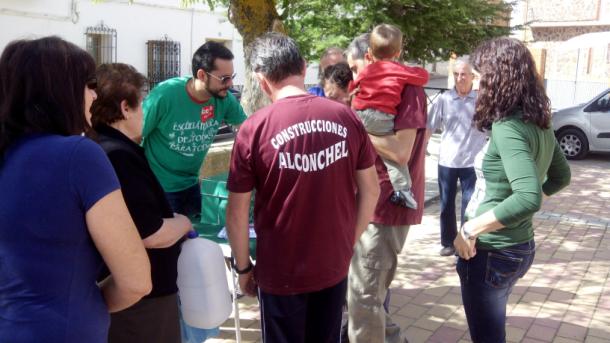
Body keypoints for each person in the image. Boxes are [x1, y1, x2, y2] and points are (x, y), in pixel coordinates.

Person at [225, 32, 380, 343]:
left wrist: (243, 269)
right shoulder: (346, 117)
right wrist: (348, 241)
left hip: (281, 271)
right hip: (332, 265)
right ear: (304, 66)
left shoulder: (254, 129)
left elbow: (237, 212)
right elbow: (371, 191)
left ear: (260, 78)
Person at [0, 36, 151, 343]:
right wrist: (83, 304)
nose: (94, 95)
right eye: (88, 83)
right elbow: (136, 280)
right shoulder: (79, 156)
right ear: (60, 90)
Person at [454, 37, 571, 343]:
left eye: (480, 77)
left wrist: (469, 229)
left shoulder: (509, 126)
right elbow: (560, 176)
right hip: (518, 247)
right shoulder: (539, 122)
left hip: (492, 251)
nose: (477, 85)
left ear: (497, 78)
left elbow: (528, 196)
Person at [90, 63, 194, 343]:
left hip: (133, 294)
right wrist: (183, 222)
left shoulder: (103, 147)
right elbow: (150, 233)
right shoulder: (117, 155)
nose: (145, 111)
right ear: (125, 108)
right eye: (143, 103)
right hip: (142, 302)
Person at [345, 32, 428, 343]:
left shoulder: (408, 89)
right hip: (367, 202)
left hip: (386, 207)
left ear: (369, 57)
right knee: (363, 297)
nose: (354, 77)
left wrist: (355, 126)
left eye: (354, 69)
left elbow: (400, 151)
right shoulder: (377, 91)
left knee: (363, 299)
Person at [142, 41, 247, 218]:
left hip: (192, 184)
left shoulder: (224, 99)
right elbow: (135, 136)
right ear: (202, 75)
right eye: (224, 78)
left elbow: (247, 132)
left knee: (194, 239)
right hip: (159, 187)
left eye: (232, 76)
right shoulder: (165, 95)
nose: (230, 84)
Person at [350, 24, 429, 210]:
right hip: (381, 117)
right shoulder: (400, 72)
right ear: (398, 53)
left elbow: (355, 85)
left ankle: (402, 191)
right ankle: (403, 190)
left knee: (392, 154)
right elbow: (422, 76)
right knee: (391, 160)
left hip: (360, 113)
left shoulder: (367, 71)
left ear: (369, 54)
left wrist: (355, 128)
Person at [426, 59, 488, 256]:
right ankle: (448, 242)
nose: (460, 78)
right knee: (446, 204)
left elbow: (492, 130)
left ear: (472, 76)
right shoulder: (444, 99)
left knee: (470, 205)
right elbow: (429, 127)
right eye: (456, 74)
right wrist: (419, 154)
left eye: (464, 74)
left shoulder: (481, 101)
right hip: (447, 161)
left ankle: (466, 242)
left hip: (472, 162)